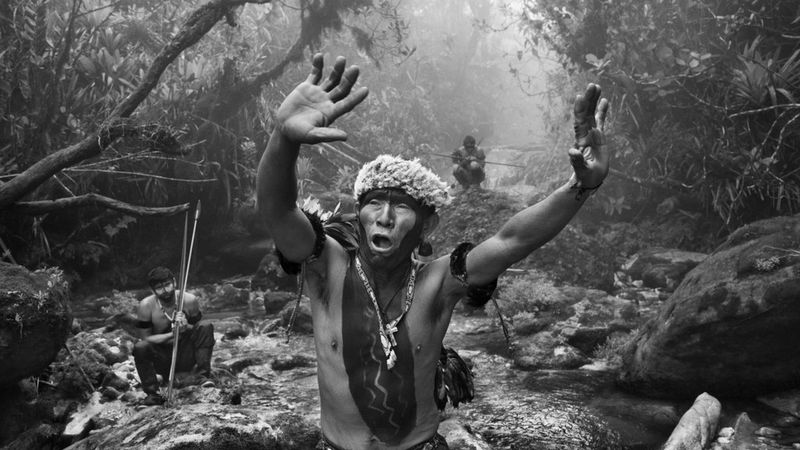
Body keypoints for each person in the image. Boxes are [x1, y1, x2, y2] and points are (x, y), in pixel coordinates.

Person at [256, 53, 609, 449]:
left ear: (428, 224)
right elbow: (279, 210)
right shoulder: (327, 268)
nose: (385, 217)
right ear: (358, 212)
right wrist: (283, 138)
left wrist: (581, 186)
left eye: (402, 206)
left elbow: (512, 241)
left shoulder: (438, 283)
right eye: (374, 203)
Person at [133, 266, 215, 406]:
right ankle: (153, 393)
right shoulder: (145, 306)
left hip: (186, 355)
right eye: (159, 288)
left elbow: (198, 330)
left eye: (167, 285)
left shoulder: (189, 300)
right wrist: (172, 334)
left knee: (206, 326)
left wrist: (185, 327)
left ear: (174, 282)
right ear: (153, 290)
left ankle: (202, 376)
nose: (165, 291)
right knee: (140, 347)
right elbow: (145, 339)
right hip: (162, 359)